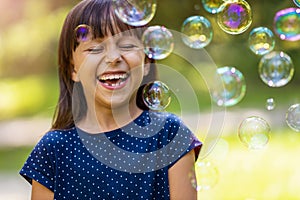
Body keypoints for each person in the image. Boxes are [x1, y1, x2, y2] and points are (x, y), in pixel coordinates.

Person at [19, 0, 202, 199]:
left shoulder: (170, 135)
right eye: (94, 48)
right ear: (73, 70)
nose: (113, 57)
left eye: (127, 45)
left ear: (147, 61)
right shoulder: (53, 149)